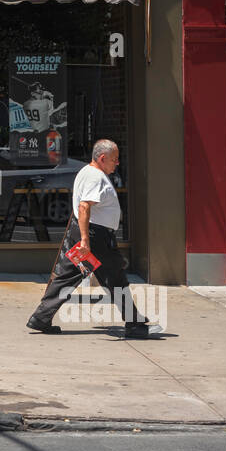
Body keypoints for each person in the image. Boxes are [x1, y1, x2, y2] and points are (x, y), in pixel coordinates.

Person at [26, 139, 152, 338]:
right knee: (115, 277)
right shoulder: (96, 177)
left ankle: (41, 317)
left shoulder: (86, 172)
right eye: (114, 159)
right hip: (95, 237)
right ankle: (134, 323)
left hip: (86, 232)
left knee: (67, 275)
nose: (117, 163)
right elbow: (84, 207)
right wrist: (86, 241)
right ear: (102, 158)